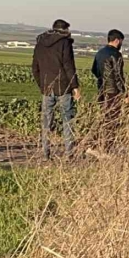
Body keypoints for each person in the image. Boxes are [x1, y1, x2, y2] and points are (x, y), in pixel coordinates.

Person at [32, 19, 81, 160]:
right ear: (64, 30)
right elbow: (68, 66)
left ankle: (45, 153)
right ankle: (69, 153)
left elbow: (35, 67)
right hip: (63, 87)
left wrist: (42, 85)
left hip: (47, 87)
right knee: (67, 120)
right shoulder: (65, 43)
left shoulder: (40, 42)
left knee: (46, 121)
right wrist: (75, 86)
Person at [90, 29, 127, 154]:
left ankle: (95, 145)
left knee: (103, 118)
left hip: (101, 89)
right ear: (117, 40)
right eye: (121, 41)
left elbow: (94, 70)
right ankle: (106, 148)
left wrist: (102, 80)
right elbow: (118, 76)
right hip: (113, 92)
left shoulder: (100, 53)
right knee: (112, 120)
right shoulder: (116, 55)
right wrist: (125, 93)